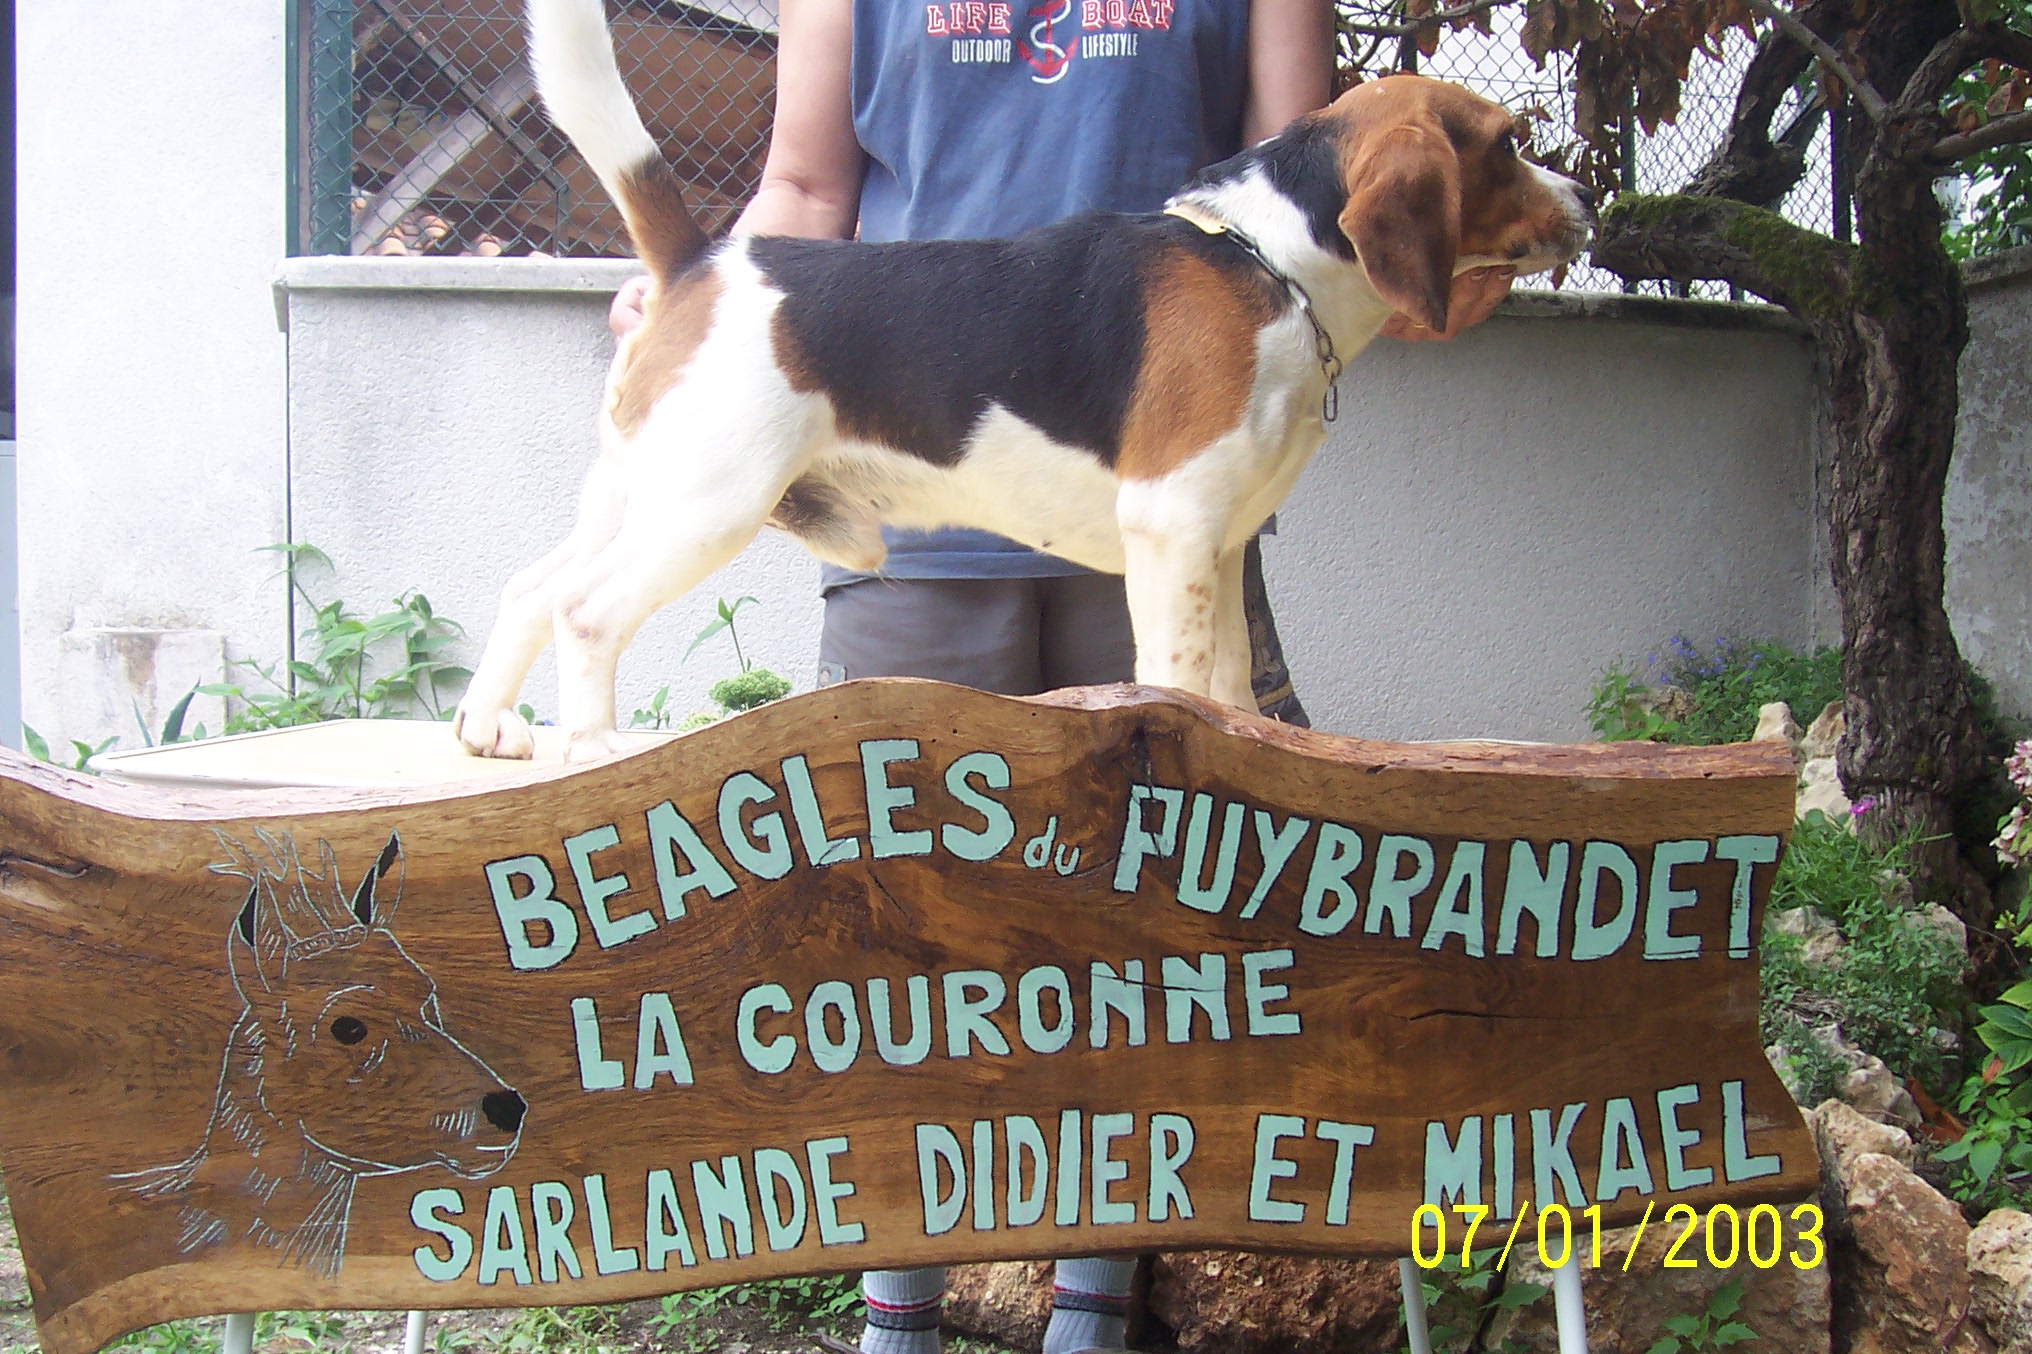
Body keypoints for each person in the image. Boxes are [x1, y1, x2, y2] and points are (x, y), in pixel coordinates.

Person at [609, 2, 1516, 1348]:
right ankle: (899, 1308)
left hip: (1171, 478)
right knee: (906, 930)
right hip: (917, 477)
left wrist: (1434, 264)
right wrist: (695, 302)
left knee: (1145, 920)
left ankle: (1095, 1298)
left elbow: (1315, 181)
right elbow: (806, 183)